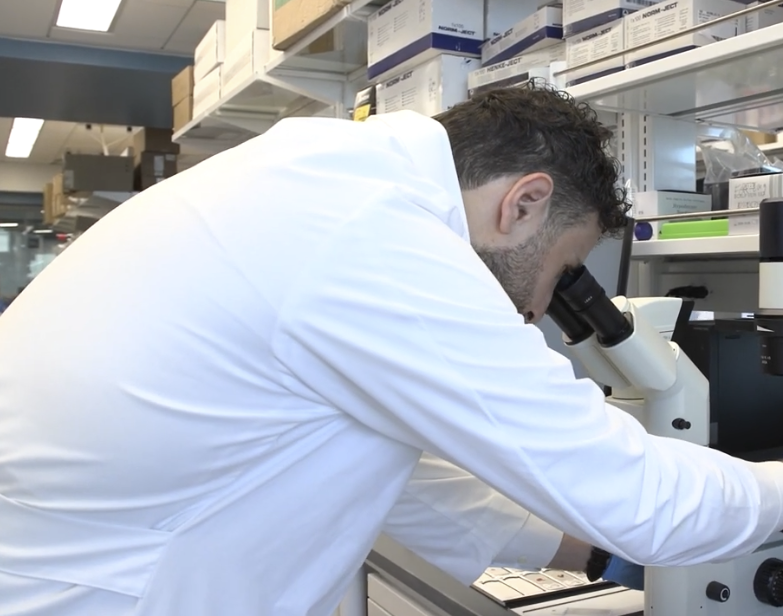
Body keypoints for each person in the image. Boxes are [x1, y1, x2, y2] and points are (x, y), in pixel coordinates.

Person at [0, 82, 779, 616]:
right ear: (525, 201)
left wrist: (597, 559)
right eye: (560, 269)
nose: (540, 307)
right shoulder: (368, 236)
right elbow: (639, 500)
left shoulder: (312, 184)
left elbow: (404, 482)